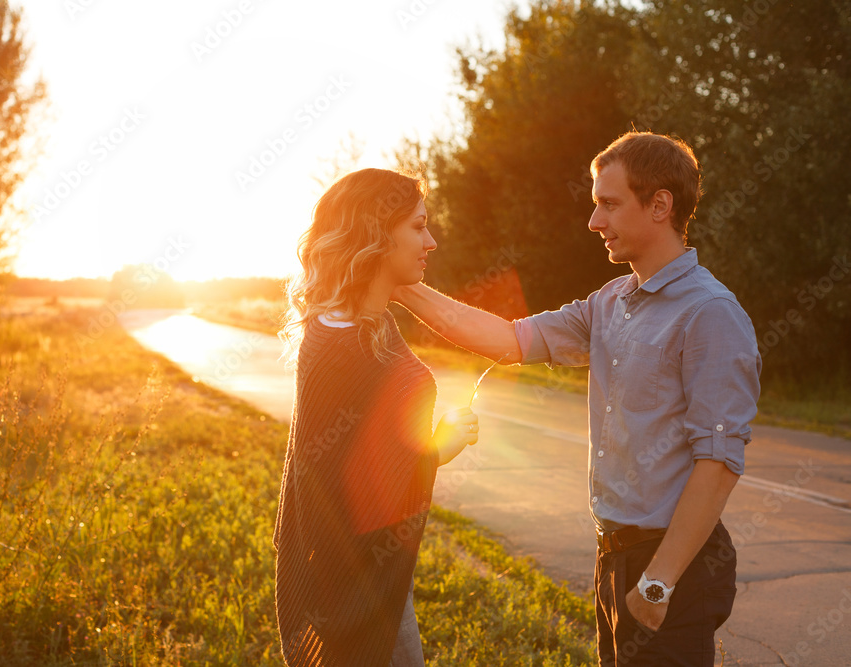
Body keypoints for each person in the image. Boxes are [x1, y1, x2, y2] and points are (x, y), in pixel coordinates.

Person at [391, 132, 762, 666]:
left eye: (609, 204)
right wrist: (398, 285)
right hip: (614, 557)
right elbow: (508, 338)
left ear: (660, 205)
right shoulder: (610, 303)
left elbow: (719, 462)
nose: (594, 222)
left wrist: (658, 582)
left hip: (670, 562)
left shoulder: (710, 313)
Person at [273, 168, 479, 666]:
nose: (430, 241)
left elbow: (373, 457)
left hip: (382, 582)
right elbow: (331, 488)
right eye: (418, 227)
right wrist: (441, 448)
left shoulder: (371, 323)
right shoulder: (340, 345)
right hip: (355, 591)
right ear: (375, 233)